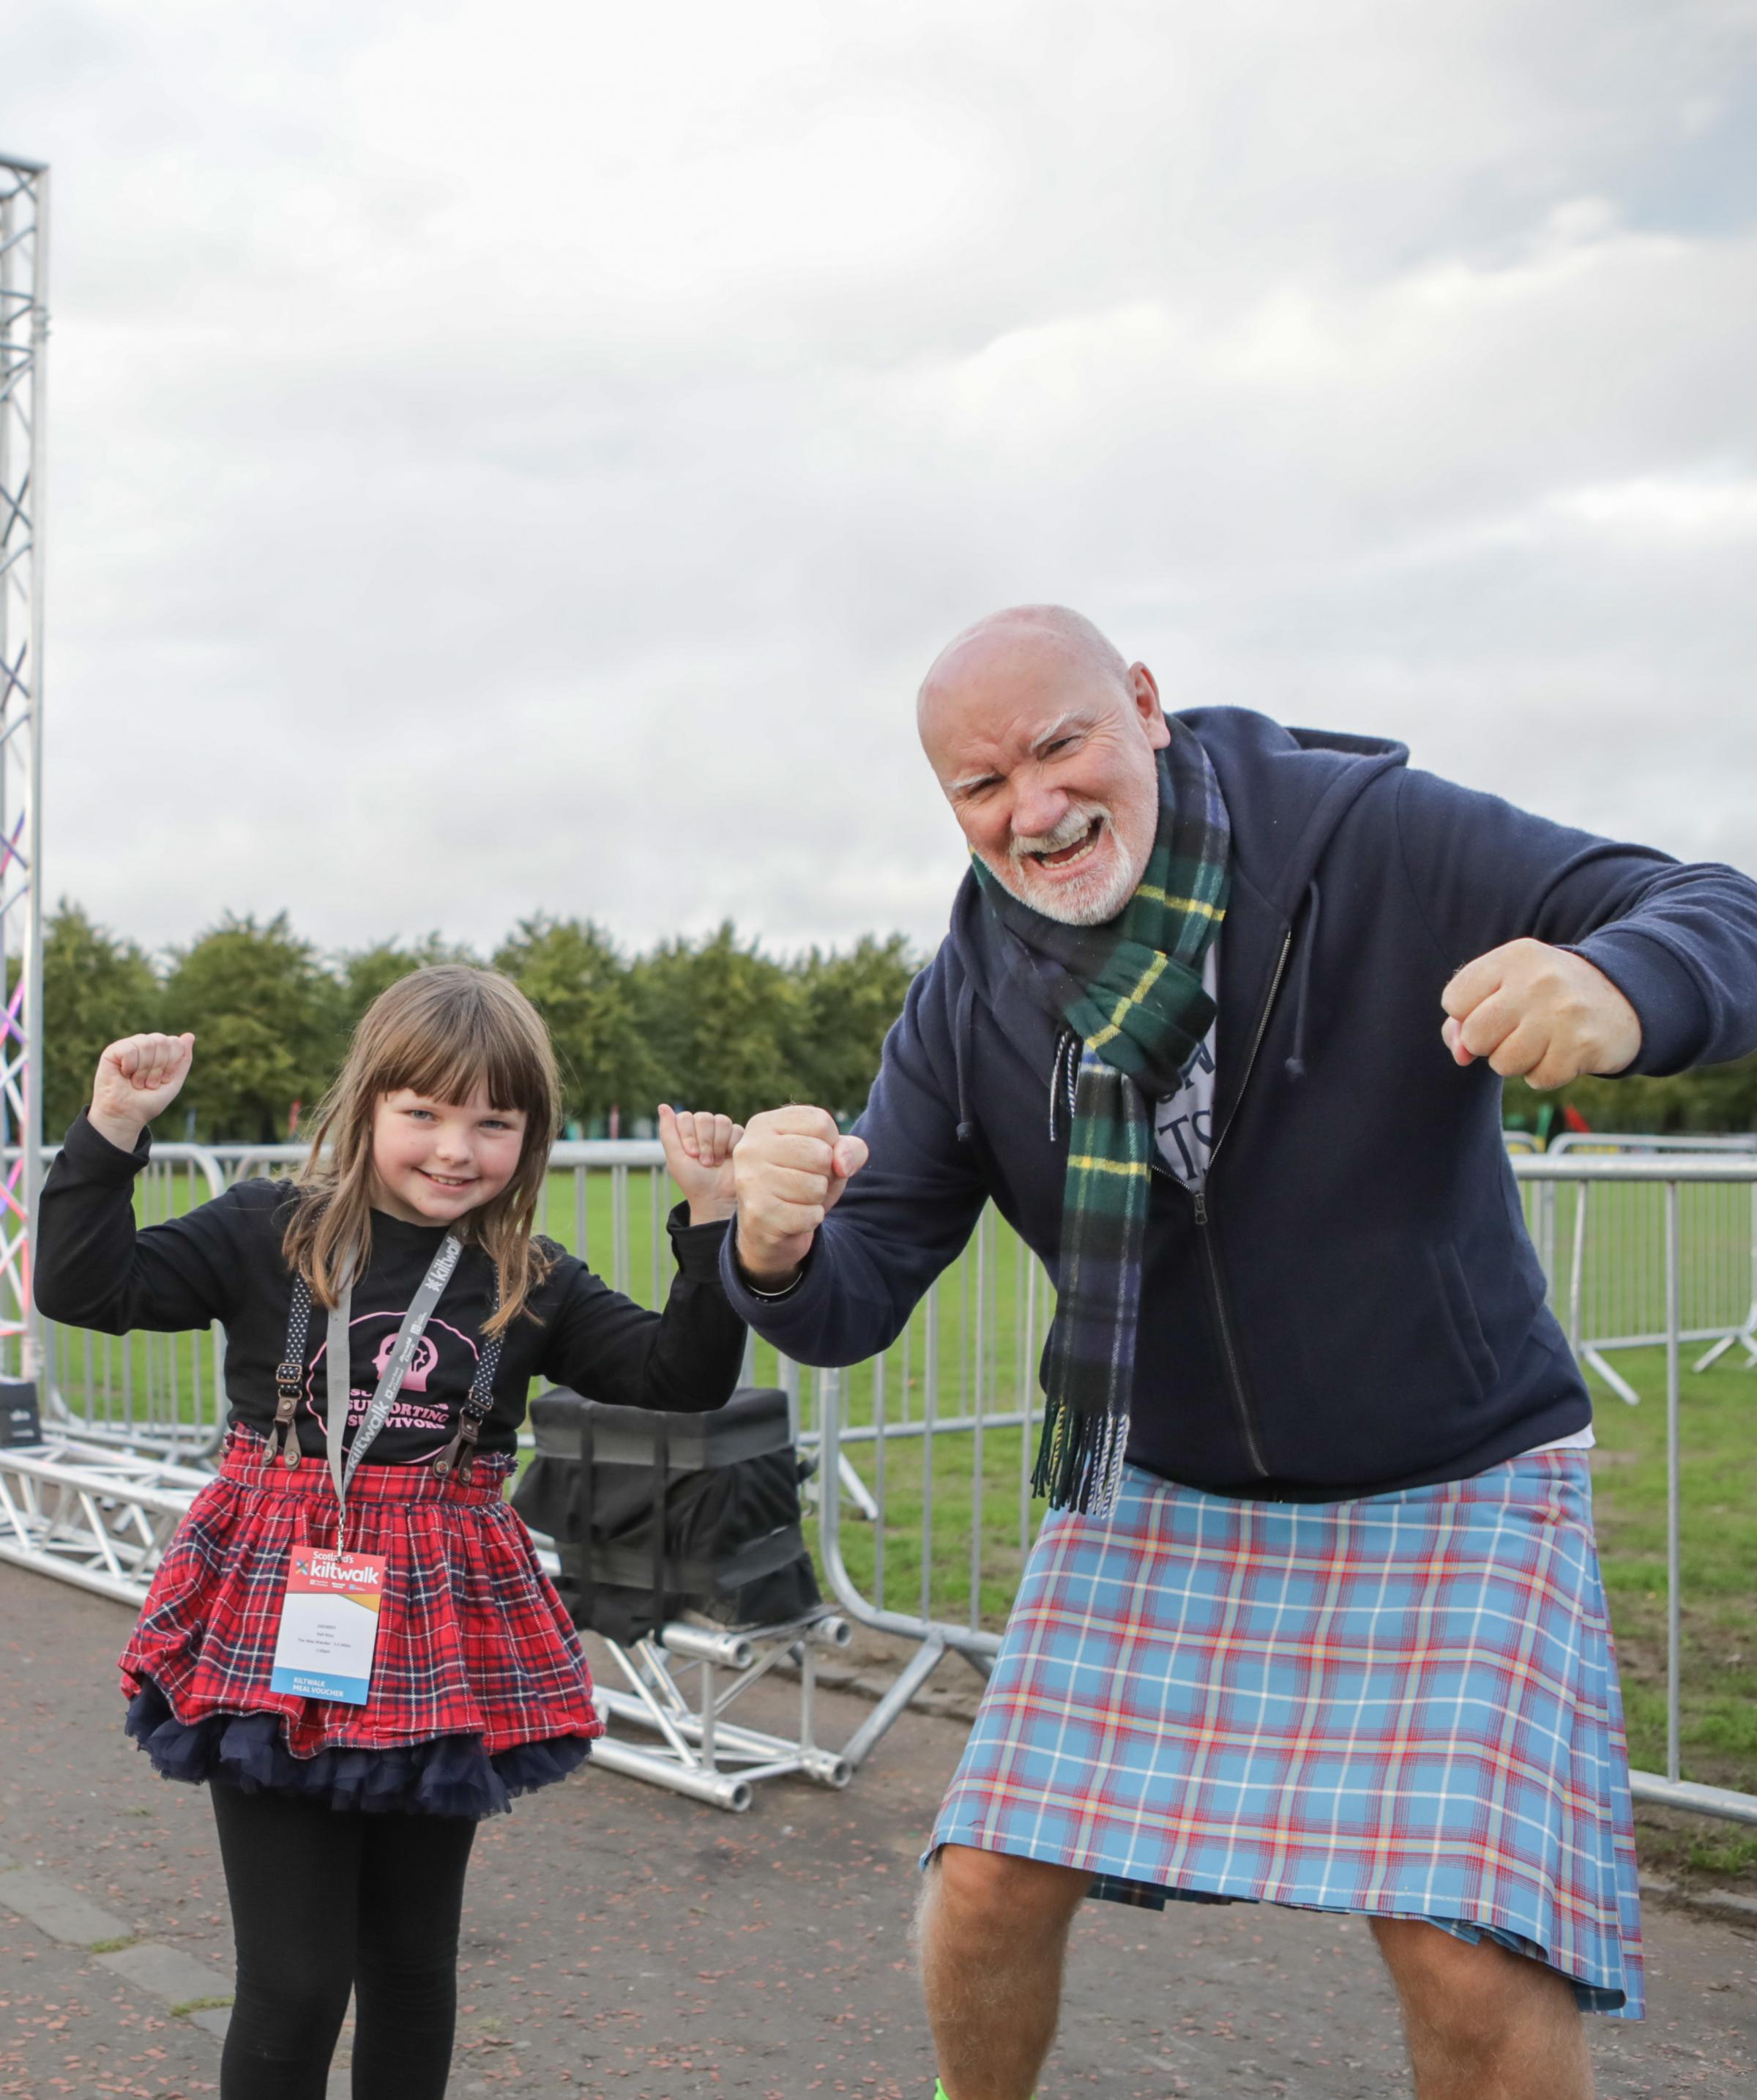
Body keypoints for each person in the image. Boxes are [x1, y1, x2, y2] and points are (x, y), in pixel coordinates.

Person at [722, 606, 1757, 2100]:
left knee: (1464, 1950)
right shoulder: (974, 989)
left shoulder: (1369, 839)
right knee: (988, 1886)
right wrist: (773, 1245)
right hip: (1167, 1482)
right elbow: (855, 1290)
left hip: (1452, 1474)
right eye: (980, 785)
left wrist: (1625, 984)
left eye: (1060, 743)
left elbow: (1712, 907)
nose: (1034, 809)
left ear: (1143, 707)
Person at [34, 965, 749, 2100]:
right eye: (422, 1113)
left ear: (531, 1133)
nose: (455, 1148)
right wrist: (114, 1125)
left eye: (492, 1122)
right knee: (297, 1981)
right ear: (367, 1105)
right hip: (275, 1607)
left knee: (410, 1966)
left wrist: (712, 1215)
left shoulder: (531, 1279)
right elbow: (84, 1287)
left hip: (438, 1624)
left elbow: (686, 1374)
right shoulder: (265, 1227)